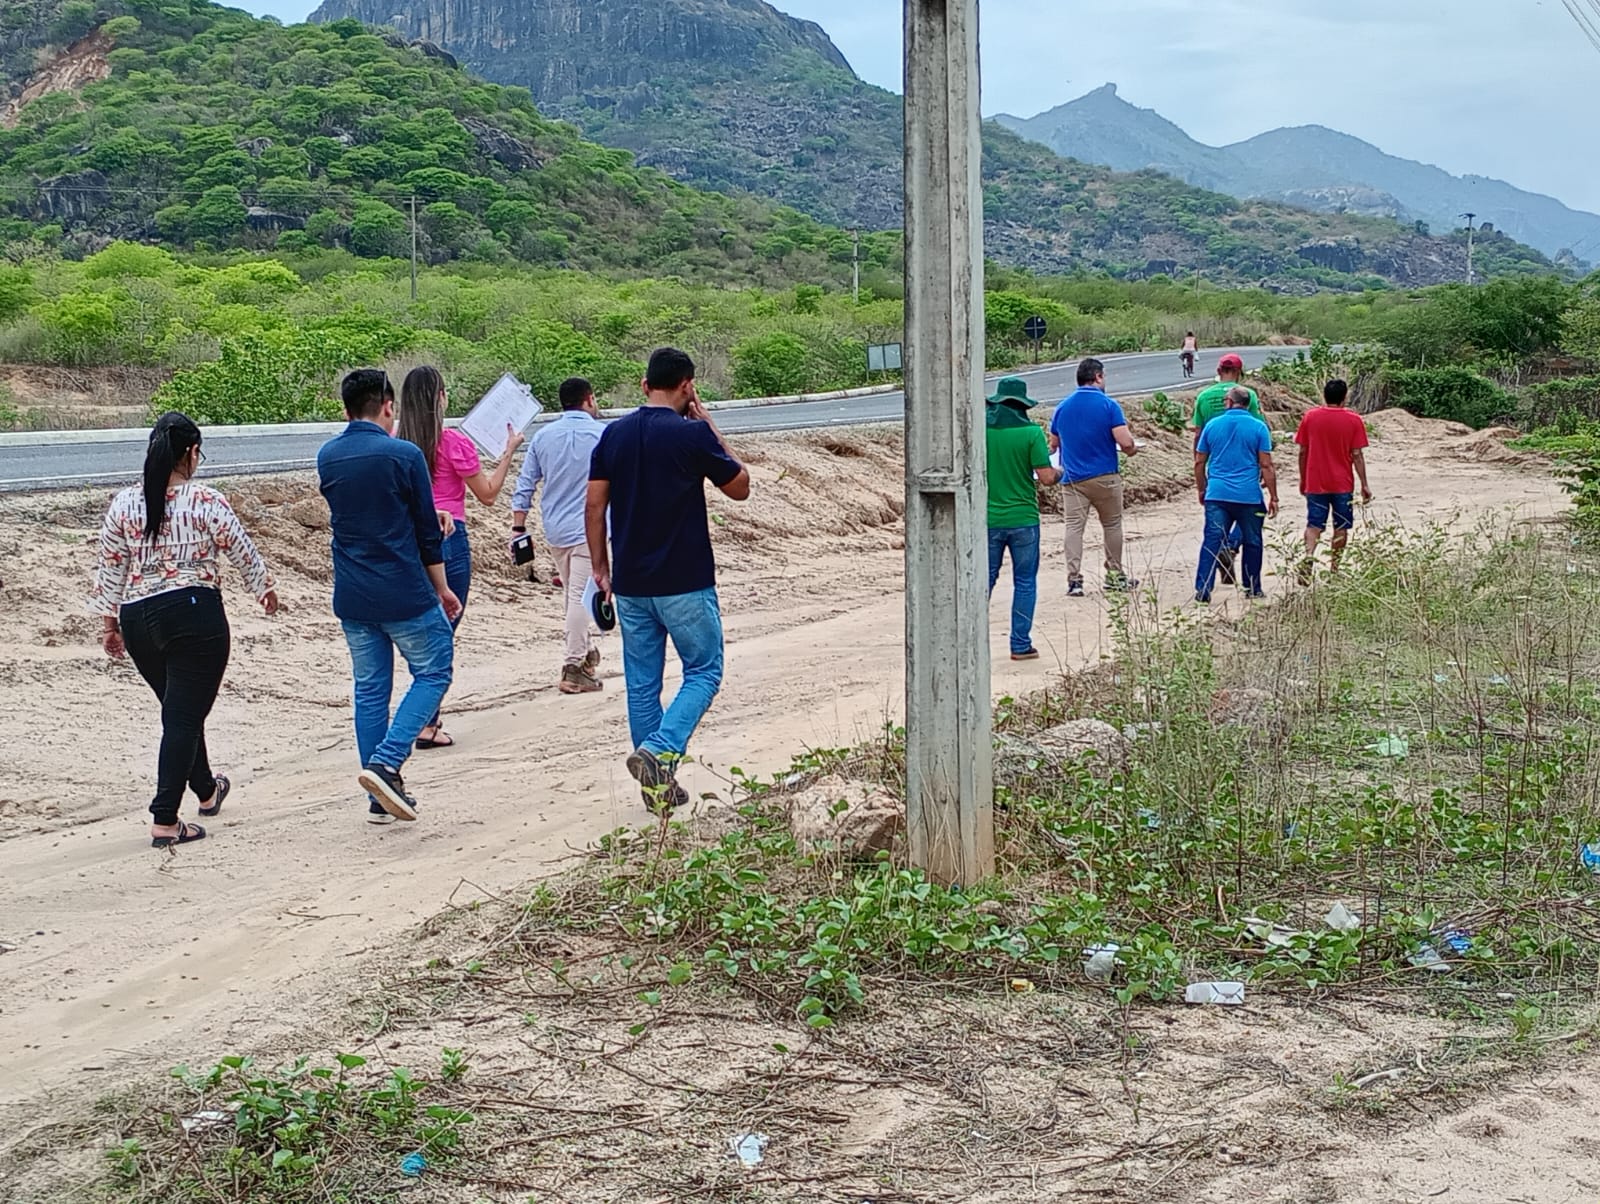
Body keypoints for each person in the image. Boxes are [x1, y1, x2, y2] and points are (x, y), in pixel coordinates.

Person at [89, 412, 279, 848]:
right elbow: (240, 548)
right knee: (183, 716)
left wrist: (109, 624)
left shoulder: (124, 503)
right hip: (193, 612)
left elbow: (110, 567)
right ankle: (165, 819)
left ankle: (208, 790)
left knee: (182, 710)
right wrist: (263, 588)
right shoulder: (205, 500)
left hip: (138, 618)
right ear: (192, 452)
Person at [587, 348, 750, 810]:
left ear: (645, 385)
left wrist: (600, 567)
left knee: (643, 683)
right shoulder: (692, 435)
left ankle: (657, 789)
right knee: (704, 670)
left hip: (631, 581)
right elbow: (740, 487)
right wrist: (710, 425)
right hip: (684, 578)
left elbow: (594, 506)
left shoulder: (613, 435)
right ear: (687, 386)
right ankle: (660, 752)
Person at [319, 368, 462, 825]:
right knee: (434, 671)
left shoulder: (328, 456)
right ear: (387, 406)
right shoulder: (404, 454)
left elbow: (371, 511)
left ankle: (380, 799)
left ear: (346, 410)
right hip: (403, 590)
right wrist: (443, 588)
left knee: (370, 692)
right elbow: (424, 532)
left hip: (353, 593)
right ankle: (387, 763)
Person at [396, 365, 524, 749]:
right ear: (440, 398)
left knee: (422, 628)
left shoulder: (395, 441)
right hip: (449, 536)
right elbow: (488, 494)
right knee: (445, 628)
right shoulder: (453, 442)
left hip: (407, 541)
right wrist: (508, 452)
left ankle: (424, 714)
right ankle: (426, 720)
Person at [513, 376, 607, 694]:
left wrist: (518, 526)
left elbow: (525, 483)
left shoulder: (543, 436)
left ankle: (586, 651)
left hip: (555, 529)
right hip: (590, 529)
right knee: (580, 595)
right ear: (589, 399)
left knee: (572, 593)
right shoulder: (602, 435)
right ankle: (573, 665)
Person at [1048, 357, 1140, 596]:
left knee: (1074, 527)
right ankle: (1114, 574)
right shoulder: (1109, 406)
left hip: (1073, 479)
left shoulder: (1062, 407)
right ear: (1098, 377)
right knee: (1111, 524)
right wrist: (1132, 449)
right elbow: (1125, 442)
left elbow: (1053, 443)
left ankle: (1074, 580)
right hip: (1105, 476)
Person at [985, 377, 1061, 660]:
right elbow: (1046, 477)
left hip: (988, 518)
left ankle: (970, 639)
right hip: (1024, 518)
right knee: (1025, 581)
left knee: (984, 580)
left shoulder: (982, 432)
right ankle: (1019, 645)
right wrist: (1060, 472)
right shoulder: (1031, 433)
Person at [1194, 386, 1279, 602]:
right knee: (1253, 541)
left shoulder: (1212, 425)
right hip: (1248, 494)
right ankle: (1252, 587)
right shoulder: (1259, 427)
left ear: (1230, 402)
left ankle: (1203, 588)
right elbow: (1266, 465)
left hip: (1217, 493)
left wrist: (1202, 488)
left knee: (1212, 540)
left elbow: (1199, 461)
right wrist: (1273, 496)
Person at [1189, 354, 1265, 584]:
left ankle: (1204, 587)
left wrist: (1199, 470)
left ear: (1218, 370)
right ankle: (1232, 547)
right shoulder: (1248, 395)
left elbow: (1198, 434)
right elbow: (1258, 427)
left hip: (1216, 468)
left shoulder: (1204, 397)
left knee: (1214, 530)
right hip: (1246, 466)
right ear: (1239, 372)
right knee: (1250, 514)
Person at [1294, 377, 1372, 581]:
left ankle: (1309, 556)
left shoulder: (1310, 417)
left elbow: (1303, 451)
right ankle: (1334, 570)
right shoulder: (1354, 420)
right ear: (1345, 397)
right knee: (1341, 526)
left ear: (1324, 395)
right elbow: (1357, 454)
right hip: (1342, 483)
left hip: (1315, 480)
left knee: (1314, 524)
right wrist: (1364, 484)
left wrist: (1303, 478)